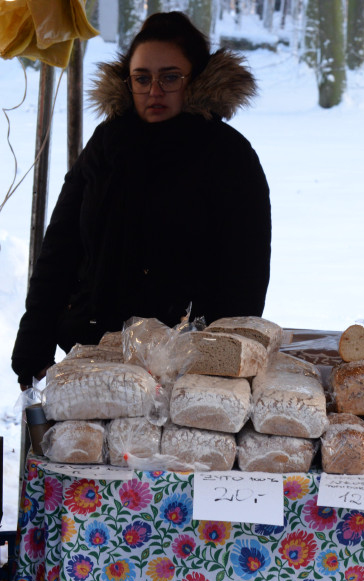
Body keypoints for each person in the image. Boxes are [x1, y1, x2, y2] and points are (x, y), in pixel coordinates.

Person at [12, 12, 272, 389]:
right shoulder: (107, 144)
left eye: (170, 77)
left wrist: (216, 366)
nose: (154, 91)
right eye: (142, 78)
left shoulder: (229, 156)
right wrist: (32, 347)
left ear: (196, 79)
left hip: (186, 373)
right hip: (92, 356)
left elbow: (244, 278)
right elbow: (61, 249)